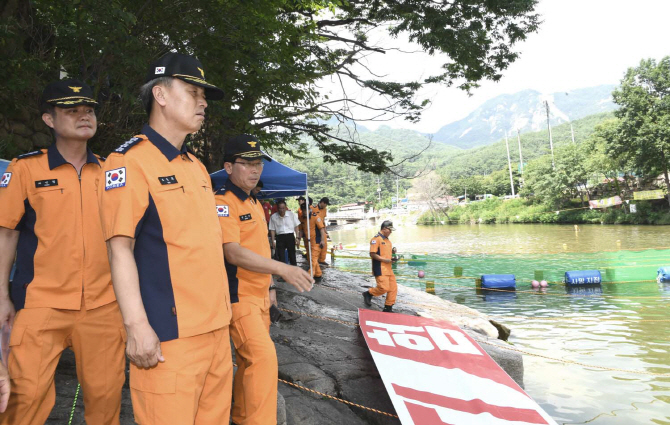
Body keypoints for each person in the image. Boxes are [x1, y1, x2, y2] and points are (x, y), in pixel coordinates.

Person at [98, 52, 233, 424]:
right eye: (193, 92)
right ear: (160, 95)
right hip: (170, 337)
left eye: (204, 96)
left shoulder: (197, 168)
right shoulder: (128, 162)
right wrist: (137, 327)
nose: (203, 102)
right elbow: (119, 248)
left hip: (217, 332)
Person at [0, 79, 125, 424]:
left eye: (88, 110)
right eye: (71, 110)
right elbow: (6, 236)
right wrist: (1, 298)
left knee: (106, 399)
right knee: (23, 399)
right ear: (49, 120)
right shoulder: (24, 169)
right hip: (41, 303)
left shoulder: (112, 173)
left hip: (103, 305)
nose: (84, 116)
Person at [214, 134, 313, 425]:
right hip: (238, 297)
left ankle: (242, 417)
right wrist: (284, 269)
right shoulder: (222, 202)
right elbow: (232, 252)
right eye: (247, 163)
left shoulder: (255, 203)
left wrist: (271, 288)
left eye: (258, 163)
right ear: (229, 167)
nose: (255, 169)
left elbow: (260, 248)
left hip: (260, 296)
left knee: (249, 363)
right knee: (263, 359)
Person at [363, 220, 398, 312]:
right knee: (384, 288)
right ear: (384, 229)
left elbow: (385, 253)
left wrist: (393, 253)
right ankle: (369, 293)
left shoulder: (388, 241)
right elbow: (372, 254)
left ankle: (388, 307)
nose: (391, 232)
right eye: (390, 230)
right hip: (380, 268)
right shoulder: (376, 239)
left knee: (393, 288)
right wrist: (385, 260)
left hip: (388, 268)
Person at [269, 199, 301, 265]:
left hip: (290, 236)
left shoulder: (291, 214)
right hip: (280, 237)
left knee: (292, 255)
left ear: (286, 208)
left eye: (283, 208)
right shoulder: (273, 217)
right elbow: (272, 230)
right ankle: (283, 273)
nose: (282, 210)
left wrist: (297, 237)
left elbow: (296, 226)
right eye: (280, 208)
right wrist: (273, 241)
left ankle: (294, 271)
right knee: (281, 257)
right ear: (277, 208)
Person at [309, 205, 328, 282]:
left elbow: (322, 229)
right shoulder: (304, 218)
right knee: (313, 259)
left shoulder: (316, 217)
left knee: (313, 259)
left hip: (317, 242)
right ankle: (318, 273)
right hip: (310, 242)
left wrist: (322, 240)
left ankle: (309, 277)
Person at [315, 197, 330, 265]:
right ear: (322, 202)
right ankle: (316, 259)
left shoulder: (324, 209)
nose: (326, 206)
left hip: (322, 228)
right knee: (316, 244)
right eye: (326, 204)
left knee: (324, 244)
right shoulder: (314, 208)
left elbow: (323, 219)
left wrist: (325, 230)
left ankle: (322, 260)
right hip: (315, 229)